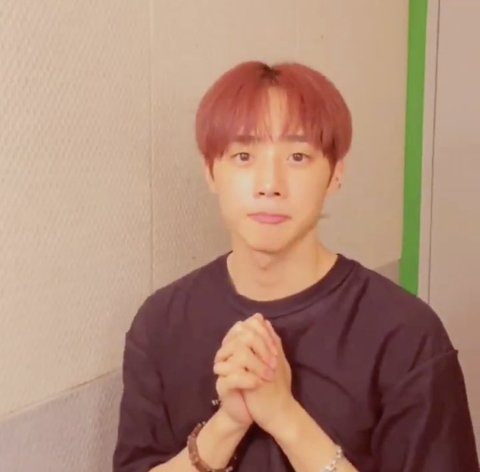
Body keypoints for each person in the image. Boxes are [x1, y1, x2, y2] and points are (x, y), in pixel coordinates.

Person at [112, 61, 479, 472]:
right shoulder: (161, 324)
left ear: (336, 173)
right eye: (244, 155)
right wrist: (227, 424)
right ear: (211, 171)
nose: (270, 184)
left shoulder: (405, 334)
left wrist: (284, 416)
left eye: (298, 156)